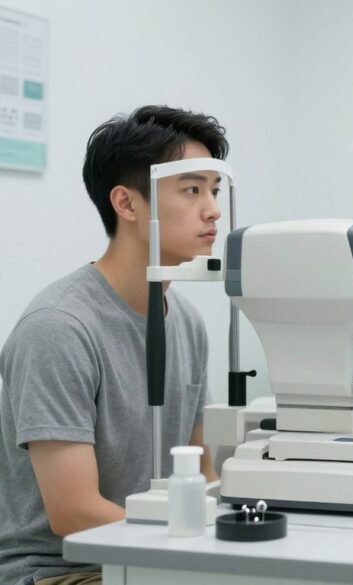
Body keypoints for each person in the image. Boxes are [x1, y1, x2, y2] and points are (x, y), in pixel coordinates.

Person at [0, 105, 228, 585]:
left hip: (153, 555)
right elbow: (75, 514)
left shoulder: (186, 320)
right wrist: (198, 542)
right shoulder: (59, 327)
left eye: (215, 189)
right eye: (192, 190)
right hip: (62, 571)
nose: (213, 209)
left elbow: (201, 471)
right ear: (126, 204)